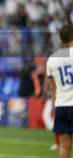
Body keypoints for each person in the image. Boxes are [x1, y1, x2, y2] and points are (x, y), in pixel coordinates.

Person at [46, 24, 73, 158]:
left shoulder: (52, 59)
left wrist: (54, 107)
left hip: (61, 105)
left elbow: (53, 89)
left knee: (63, 146)